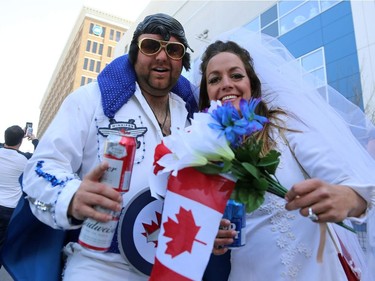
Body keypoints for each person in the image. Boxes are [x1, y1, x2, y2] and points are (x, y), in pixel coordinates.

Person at [1, 13, 201, 281]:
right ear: (134, 52)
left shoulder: (192, 114)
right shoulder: (90, 99)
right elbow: (41, 167)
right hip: (100, 264)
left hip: (175, 264)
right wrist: (72, 196)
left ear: (183, 59)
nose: (162, 57)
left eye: (173, 50)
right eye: (151, 46)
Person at [196, 30, 375, 281]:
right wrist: (211, 236)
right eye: (214, 79)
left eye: (236, 75)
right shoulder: (204, 154)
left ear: (252, 85)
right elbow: (200, 224)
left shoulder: (283, 126)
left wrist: (350, 198)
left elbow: (353, 187)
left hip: (312, 271)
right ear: (206, 93)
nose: (226, 83)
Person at [0, 125, 38, 268]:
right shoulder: (25, 160)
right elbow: (41, 154)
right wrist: (34, 139)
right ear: (21, 141)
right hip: (8, 210)